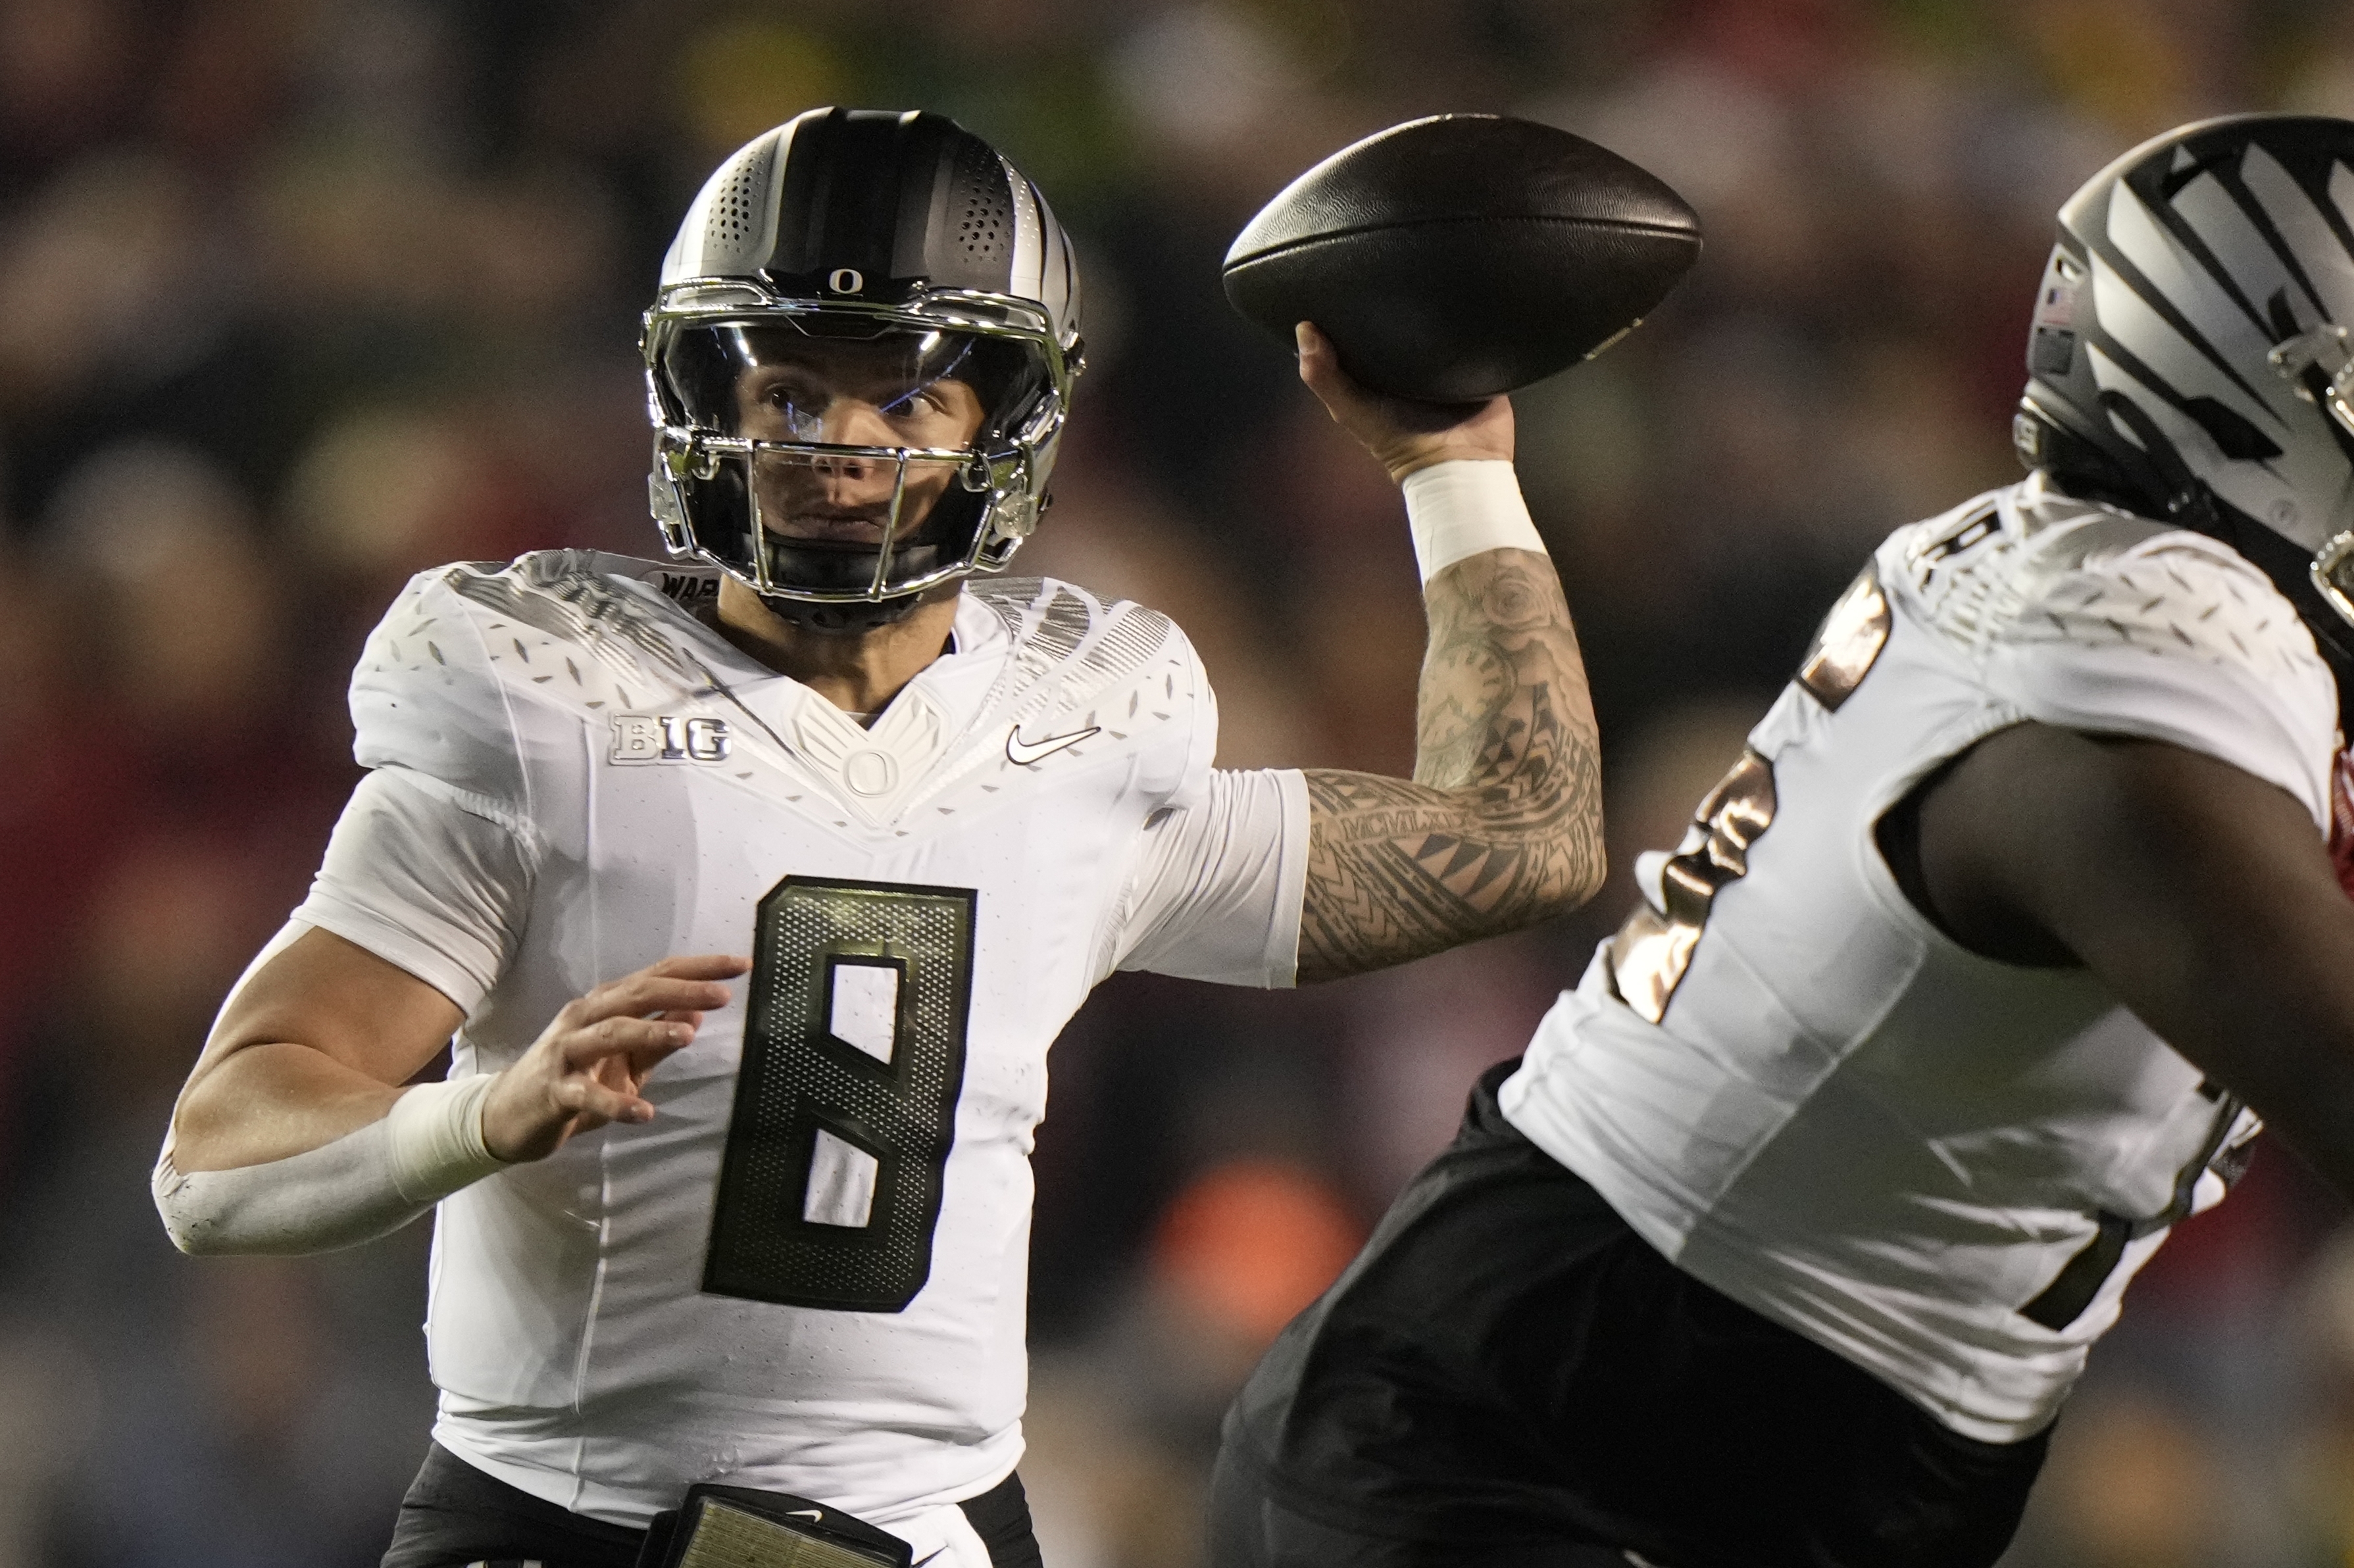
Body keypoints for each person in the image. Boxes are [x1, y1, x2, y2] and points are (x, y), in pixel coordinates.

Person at [149, 107, 1604, 1568]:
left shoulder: (1079, 736)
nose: (840, 445)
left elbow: (1522, 836)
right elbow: (214, 1158)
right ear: (698, 397)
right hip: (567, 1524)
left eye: (906, 400)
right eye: (787, 392)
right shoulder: (551, 707)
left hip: (940, 1535)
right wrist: (476, 1119)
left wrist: (1452, 468)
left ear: (1005, 422)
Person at [1211, 110, 2354, 1568]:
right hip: (1539, 1453)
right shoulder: (2124, 677)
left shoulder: (2118, 599)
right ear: (2265, 401)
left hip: (1680, 1431)